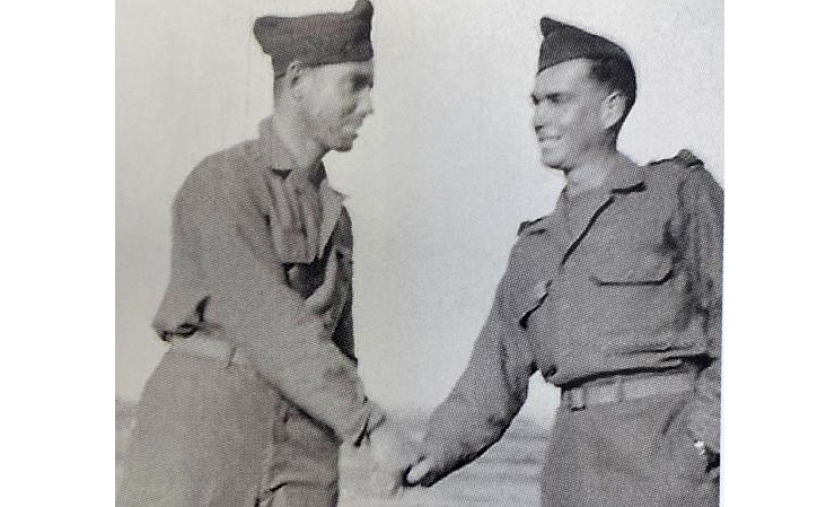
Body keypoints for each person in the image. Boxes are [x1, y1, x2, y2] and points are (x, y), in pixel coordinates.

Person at [405, 17, 722, 507]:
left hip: (666, 462)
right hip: (572, 471)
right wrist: (428, 453)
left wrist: (701, 444)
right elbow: (492, 375)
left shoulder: (677, 194)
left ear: (611, 108)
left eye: (557, 101)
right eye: (535, 102)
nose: (538, 118)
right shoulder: (536, 245)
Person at [117, 2, 414, 506]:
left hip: (304, 442)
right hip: (206, 424)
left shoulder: (336, 218)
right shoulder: (224, 183)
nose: (369, 105)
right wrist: (370, 424)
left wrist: (356, 430)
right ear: (297, 81)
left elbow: (338, 349)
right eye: (355, 84)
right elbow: (268, 320)